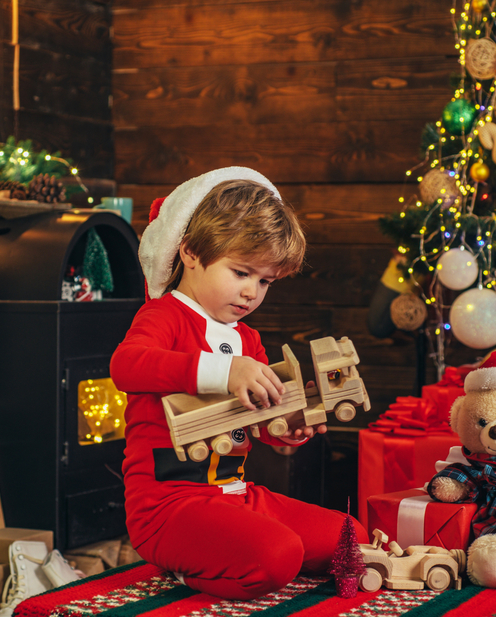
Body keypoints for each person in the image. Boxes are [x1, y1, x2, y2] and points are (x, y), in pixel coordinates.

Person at [111, 166, 368, 600]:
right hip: (169, 506)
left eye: (265, 281)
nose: (252, 292)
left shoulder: (247, 338)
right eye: (242, 272)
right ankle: (187, 567)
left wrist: (288, 430)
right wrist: (225, 372)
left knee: (351, 538)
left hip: (237, 494)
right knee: (277, 558)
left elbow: (263, 424)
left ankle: (240, 550)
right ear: (190, 252)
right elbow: (127, 365)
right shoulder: (165, 315)